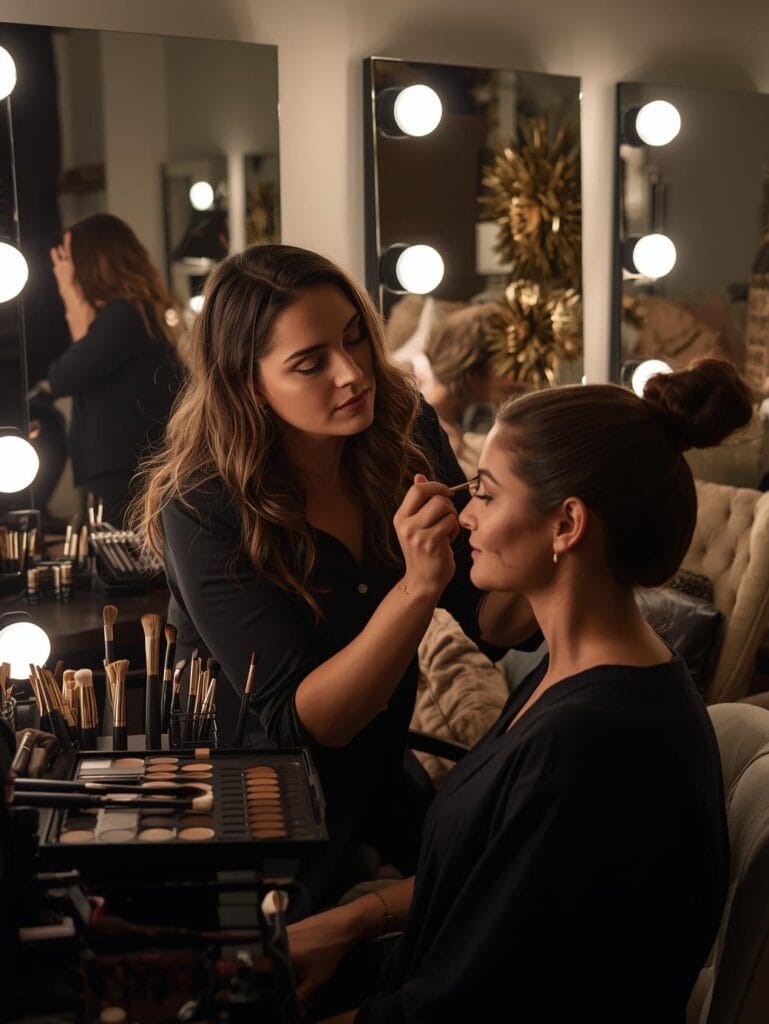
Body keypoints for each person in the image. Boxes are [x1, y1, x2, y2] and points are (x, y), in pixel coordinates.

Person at [287, 358, 750, 1023]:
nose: (462, 515)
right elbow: (503, 883)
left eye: (483, 491)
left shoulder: (593, 742)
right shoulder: (575, 673)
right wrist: (356, 920)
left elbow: (467, 1005)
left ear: (565, 524)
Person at [133, 244, 537, 906]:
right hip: (252, 799)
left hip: (377, 775)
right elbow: (307, 722)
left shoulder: (403, 433)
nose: (352, 373)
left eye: (354, 337)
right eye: (309, 362)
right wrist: (414, 588)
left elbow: (490, 620)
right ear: (247, 383)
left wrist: (574, 544)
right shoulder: (203, 501)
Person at [47, 213, 181, 526]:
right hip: (127, 464)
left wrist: (69, 293)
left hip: (123, 468)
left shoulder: (125, 315)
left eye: (68, 257)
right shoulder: (137, 312)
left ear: (91, 260)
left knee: (119, 565)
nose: (62, 267)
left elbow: (63, 376)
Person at [421, 303, 519, 477]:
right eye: (503, 364)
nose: (516, 379)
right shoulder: (428, 434)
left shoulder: (451, 428)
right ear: (469, 362)